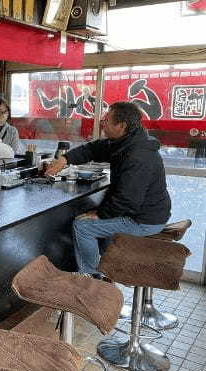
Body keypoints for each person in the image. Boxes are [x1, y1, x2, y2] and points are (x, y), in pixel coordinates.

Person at [45, 102, 171, 277]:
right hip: (140, 213)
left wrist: (101, 214)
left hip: (144, 220)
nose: (102, 123)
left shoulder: (137, 156)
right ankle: (104, 269)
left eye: (106, 120)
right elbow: (93, 149)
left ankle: (91, 278)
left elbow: (127, 200)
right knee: (93, 217)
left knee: (82, 226)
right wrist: (64, 160)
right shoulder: (125, 142)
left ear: (121, 126)